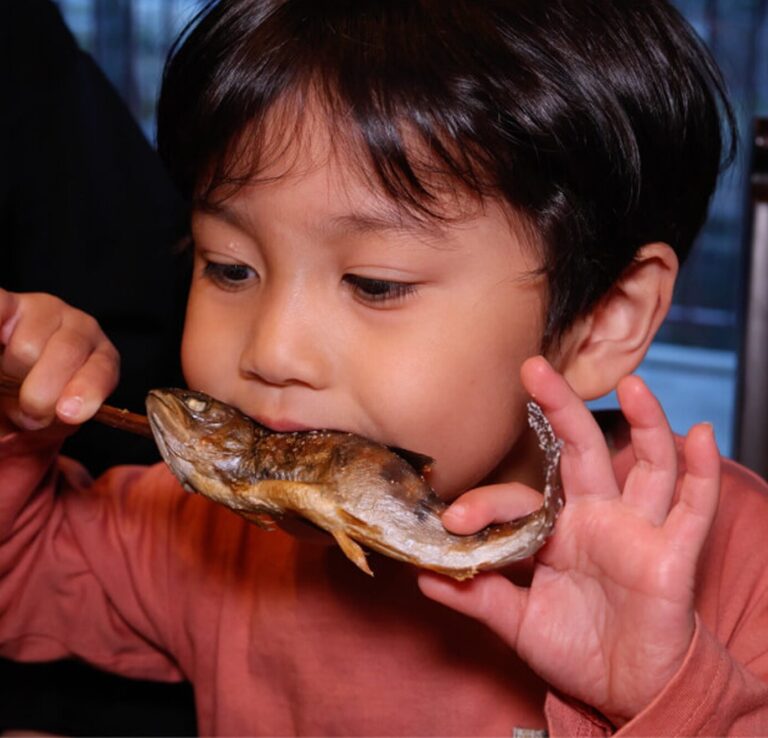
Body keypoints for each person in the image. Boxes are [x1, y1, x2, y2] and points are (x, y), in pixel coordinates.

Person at [1, 0, 767, 735]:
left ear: (605, 320)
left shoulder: (732, 562)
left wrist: (662, 700)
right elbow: (21, 580)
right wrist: (15, 424)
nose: (271, 351)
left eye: (375, 284)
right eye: (230, 268)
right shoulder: (203, 533)